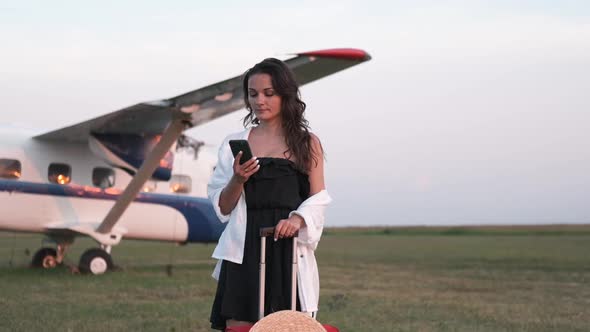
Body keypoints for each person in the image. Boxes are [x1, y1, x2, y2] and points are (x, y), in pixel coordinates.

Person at [207, 58, 332, 330]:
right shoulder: (235, 143)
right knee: (240, 325)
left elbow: (318, 198)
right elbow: (223, 207)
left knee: (287, 326)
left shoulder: (306, 142)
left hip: (287, 246)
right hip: (245, 247)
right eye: (253, 94)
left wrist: (297, 220)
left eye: (268, 93)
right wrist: (238, 179)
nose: (259, 101)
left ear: (285, 94)